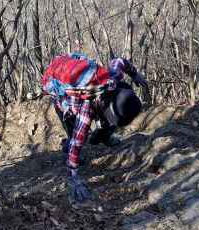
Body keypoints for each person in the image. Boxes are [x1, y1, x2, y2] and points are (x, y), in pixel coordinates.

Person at [42, 53, 148, 204]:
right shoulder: (86, 107)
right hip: (60, 88)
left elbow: (119, 61)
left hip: (73, 71)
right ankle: (66, 146)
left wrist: (134, 74)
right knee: (77, 135)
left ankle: (102, 136)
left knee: (106, 123)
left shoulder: (113, 79)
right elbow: (78, 142)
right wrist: (74, 176)